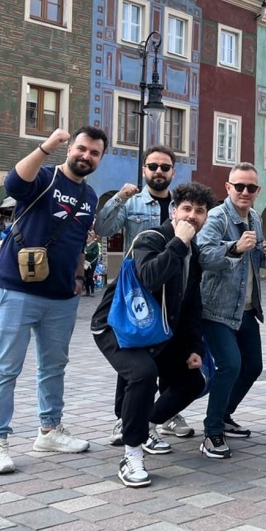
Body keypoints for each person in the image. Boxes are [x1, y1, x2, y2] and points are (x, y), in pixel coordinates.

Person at [0, 126, 107, 475]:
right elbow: (13, 184)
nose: (86, 156)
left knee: (54, 366)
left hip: (62, 296)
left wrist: (79, 278)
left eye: (94, 153)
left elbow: (79, 241)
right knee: (5, 367)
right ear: (71, 149)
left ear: (100, 158)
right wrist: (47, 146)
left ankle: (50, 431)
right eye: (82, 148)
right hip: (17, 289)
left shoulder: (90, 196)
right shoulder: (46, 177)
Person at [92, 183, 219, 487]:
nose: (192, 216)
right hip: (116, 326)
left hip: (155, 330)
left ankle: (143, 424)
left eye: (199, 211)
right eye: (186, 209)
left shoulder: (193, 252)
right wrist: (178, 242)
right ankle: (131, 455)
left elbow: (190, 304)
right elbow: (150, 276)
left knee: (194, 380)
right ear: (174, 211)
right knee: (143, 374)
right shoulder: (151, 238)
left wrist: (194, 346)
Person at [95, 146, 194, 441]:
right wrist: (119, 198)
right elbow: (103, 228)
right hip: (137, 291)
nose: (158, 171)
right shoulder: (133, 203)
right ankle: (124, 419)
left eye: (165, 167)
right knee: (134, 356)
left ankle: (165, 414)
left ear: (173, 172)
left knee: (167, 353)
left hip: (170, 290)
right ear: (144, 170)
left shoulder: (181, 206)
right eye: (153, 166)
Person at [196, 162, 266, 459]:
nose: (245, 192)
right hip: (217, 309)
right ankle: (211, 432)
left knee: (253, 366)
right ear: (228, 188)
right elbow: (203, 256)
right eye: (239, 186)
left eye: (251, 187)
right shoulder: (217, 217)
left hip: (246, 309)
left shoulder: (256, 218)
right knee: (230, 365)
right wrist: (234, 247)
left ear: (257, 190)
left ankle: (224, 414)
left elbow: (256, 259)